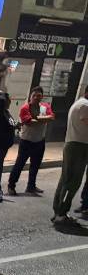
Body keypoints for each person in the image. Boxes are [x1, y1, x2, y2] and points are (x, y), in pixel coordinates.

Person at [7, 86, 54, 195]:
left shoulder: (45, 106)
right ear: (30, 96)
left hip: (40, 141)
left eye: (39, 96)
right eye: (34, 96)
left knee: (35, 166)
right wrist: (43, 119)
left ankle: (31, 186)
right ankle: (11, 186)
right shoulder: (25, 108)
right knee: (19, 164)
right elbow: (29, 122)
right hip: (26, 141)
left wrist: (37, 118)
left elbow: (52, 117)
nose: (37, 98)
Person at [52, 85, 88, 226]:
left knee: (65, 179)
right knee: (72, 181)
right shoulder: (85, 105)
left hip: (74, 145)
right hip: (78, 146)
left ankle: (58, 212)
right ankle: (61, 213)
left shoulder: (78, 103)